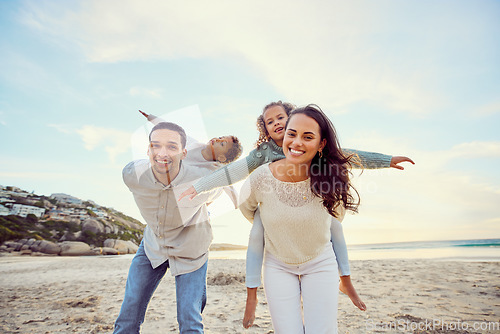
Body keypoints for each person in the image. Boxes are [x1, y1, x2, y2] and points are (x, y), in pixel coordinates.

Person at [178, 101, 415, 327]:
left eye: (281, 118)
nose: (279, 125)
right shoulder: (261, 157)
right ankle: (252, 295)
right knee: (257, 233)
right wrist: (199, 186)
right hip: (269, 212)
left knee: (335, 227)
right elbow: (233, 172)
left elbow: (349, 156)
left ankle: (346, 280)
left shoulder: (319, 162)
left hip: (314, 238)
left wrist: (387, 160)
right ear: (266, 129)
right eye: (271, 122)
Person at [239, 104, 364, 333]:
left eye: (308, 137)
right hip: (278, 265)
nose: (296, 143)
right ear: (284, 135)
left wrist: (344, 276)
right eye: (292, 134)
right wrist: (275, 224)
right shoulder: (260, 178)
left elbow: (335, 224)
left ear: (321, 144)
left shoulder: (330, 180)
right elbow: (247, 209)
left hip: (320, 262)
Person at [114, 121, 223, 333]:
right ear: (148, 150)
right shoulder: (132, 175)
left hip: (191, 250)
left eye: (172, 147)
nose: (162, 153)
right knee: (129, 311)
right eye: (156, 145)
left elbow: (220, 185)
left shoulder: (202, 181)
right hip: (153, 246)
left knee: (189, 319)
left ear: (184, 153)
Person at [139, 110, 243, 207]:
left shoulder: (216, 169)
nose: (217, 140)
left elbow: (228, 184)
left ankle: (202, 211)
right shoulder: (194, 145)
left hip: (196, 191)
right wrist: (151, 117)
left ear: (221, 157)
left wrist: (238, 204)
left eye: (222, 144)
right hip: (174, 177)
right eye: (220, 137)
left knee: (215, 187)